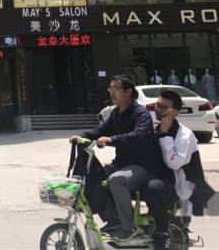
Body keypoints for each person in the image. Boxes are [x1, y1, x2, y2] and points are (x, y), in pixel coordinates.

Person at [70, 75, 164, 243]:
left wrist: (111, 140)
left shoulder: (140, 113)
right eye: (110, 88)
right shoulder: (116, 113)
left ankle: (129, 229)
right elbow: (100, 130)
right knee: (94, 179)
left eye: (116, 88)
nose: (112, 92)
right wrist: (82, 136)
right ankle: (115, 220)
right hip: (122, 164)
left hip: (143, 166)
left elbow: (139, 135)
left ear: (128, 92)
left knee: (117, 180)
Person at [149, 89, 214, 249]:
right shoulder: (156, 129)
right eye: (157, 105)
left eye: (163, 107)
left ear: (175, 113)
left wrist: (165, 134)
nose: (158, 109)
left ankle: (178, 235)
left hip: (183, 190)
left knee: (175, 236)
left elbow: (174, 163)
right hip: (166, 183)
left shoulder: (184, 135)